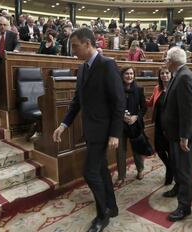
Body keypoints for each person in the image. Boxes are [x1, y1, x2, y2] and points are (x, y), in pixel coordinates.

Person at [52, 27, 125, 232]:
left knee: (90, 173)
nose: (73, 50)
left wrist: (114, 133)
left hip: (103, 131)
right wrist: (63, 124)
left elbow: (119, 102)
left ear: (88, 43)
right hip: (91, 130)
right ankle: (112, 206)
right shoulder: (83, 67)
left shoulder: (107, 65)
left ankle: (103, 215)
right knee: (100, 171)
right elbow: (77, 101)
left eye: (75, 46)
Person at [161, 46, 192, 222]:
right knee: (178, 166)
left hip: (182, 134)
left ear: (172, 61)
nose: (164, 62)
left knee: (184, 170)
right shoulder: (180, 74)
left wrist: (184, 136)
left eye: (166, 59)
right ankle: (178, 188)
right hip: (175, 132)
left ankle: (184, 207)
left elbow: (187, 110)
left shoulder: (184, 77)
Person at [114, 65, 147, 186]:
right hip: (120, 125)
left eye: (132, 74)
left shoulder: (139, 89)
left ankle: (140, 170)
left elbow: (143, 108)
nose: (129, 76)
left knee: (137, 149)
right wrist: (122, 116)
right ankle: (121, 176)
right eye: (127, 74)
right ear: (122, 76)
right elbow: (112, 107)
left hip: (134, 124)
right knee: (120, 151)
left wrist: (136, 117)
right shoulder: (116, 89)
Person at [146, 66, 173, 185]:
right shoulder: (157, 88)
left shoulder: (175, 88)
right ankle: (170, 168)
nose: (164, 75)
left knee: (171, 150)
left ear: (171, 74)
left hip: (171, 125)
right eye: (162, 73)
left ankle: (170, 173)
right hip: (158, 124)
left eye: (167, 73)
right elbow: (151, 102)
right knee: (159, 149)